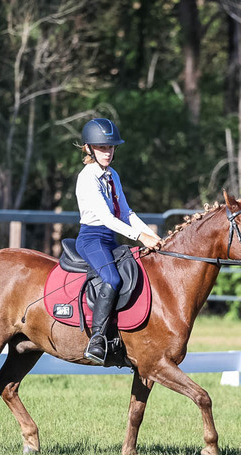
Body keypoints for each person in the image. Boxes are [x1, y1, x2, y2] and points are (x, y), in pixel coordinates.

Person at [75, 118, 162, 365]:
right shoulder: (87, 177)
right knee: (112, 279)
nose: (108, 152)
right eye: (102, 148)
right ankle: (97, 339)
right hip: (92, 239)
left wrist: (152, 235)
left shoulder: (112, 175)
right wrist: (139, 236)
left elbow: (126, 213)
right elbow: (105, 217)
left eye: (111, 148)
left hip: (110, 239)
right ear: (89, 148)